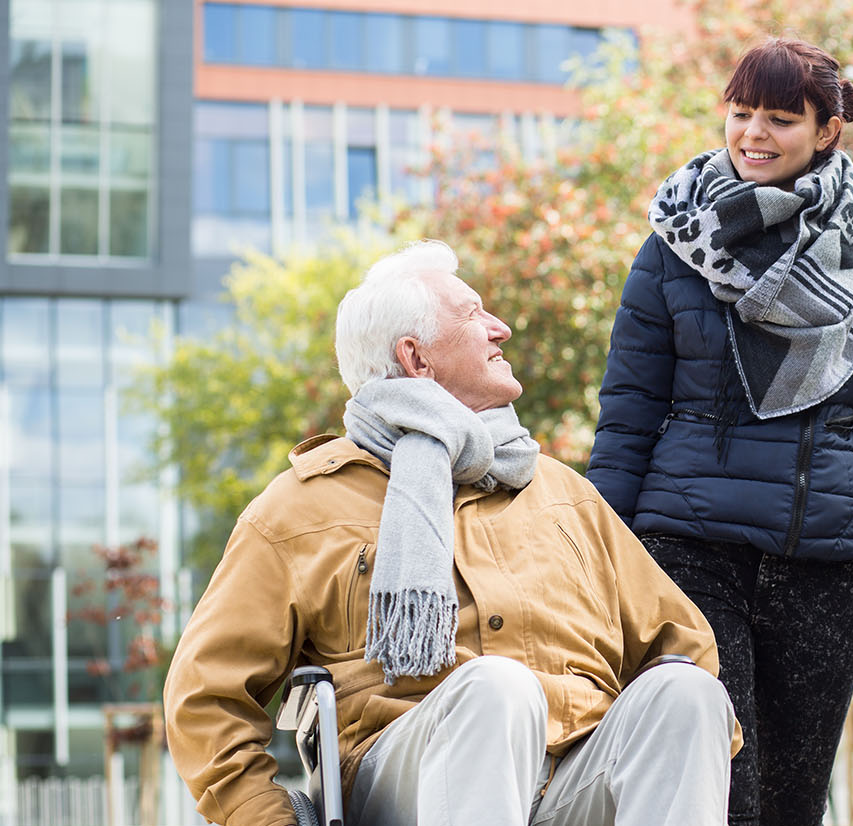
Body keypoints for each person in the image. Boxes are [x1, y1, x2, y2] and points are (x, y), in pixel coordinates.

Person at [164, 240, 738, 826]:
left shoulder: (561, 490)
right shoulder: (298, 509)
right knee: (495, 689)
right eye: (473, 314)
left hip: (577, 776)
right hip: (407, 782)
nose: (501, 328)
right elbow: (206, 700)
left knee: (685, 693)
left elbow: (683, 643)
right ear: (416, 357)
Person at [586, 37, 853, 826]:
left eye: (780, 118)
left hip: (821, 570)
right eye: (741, 111)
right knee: (726, 791)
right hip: (689, 553)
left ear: (826, 131)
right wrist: (592, 570)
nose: (753, 132)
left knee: (794, 805)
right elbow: (627, 418)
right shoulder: (673, 247)